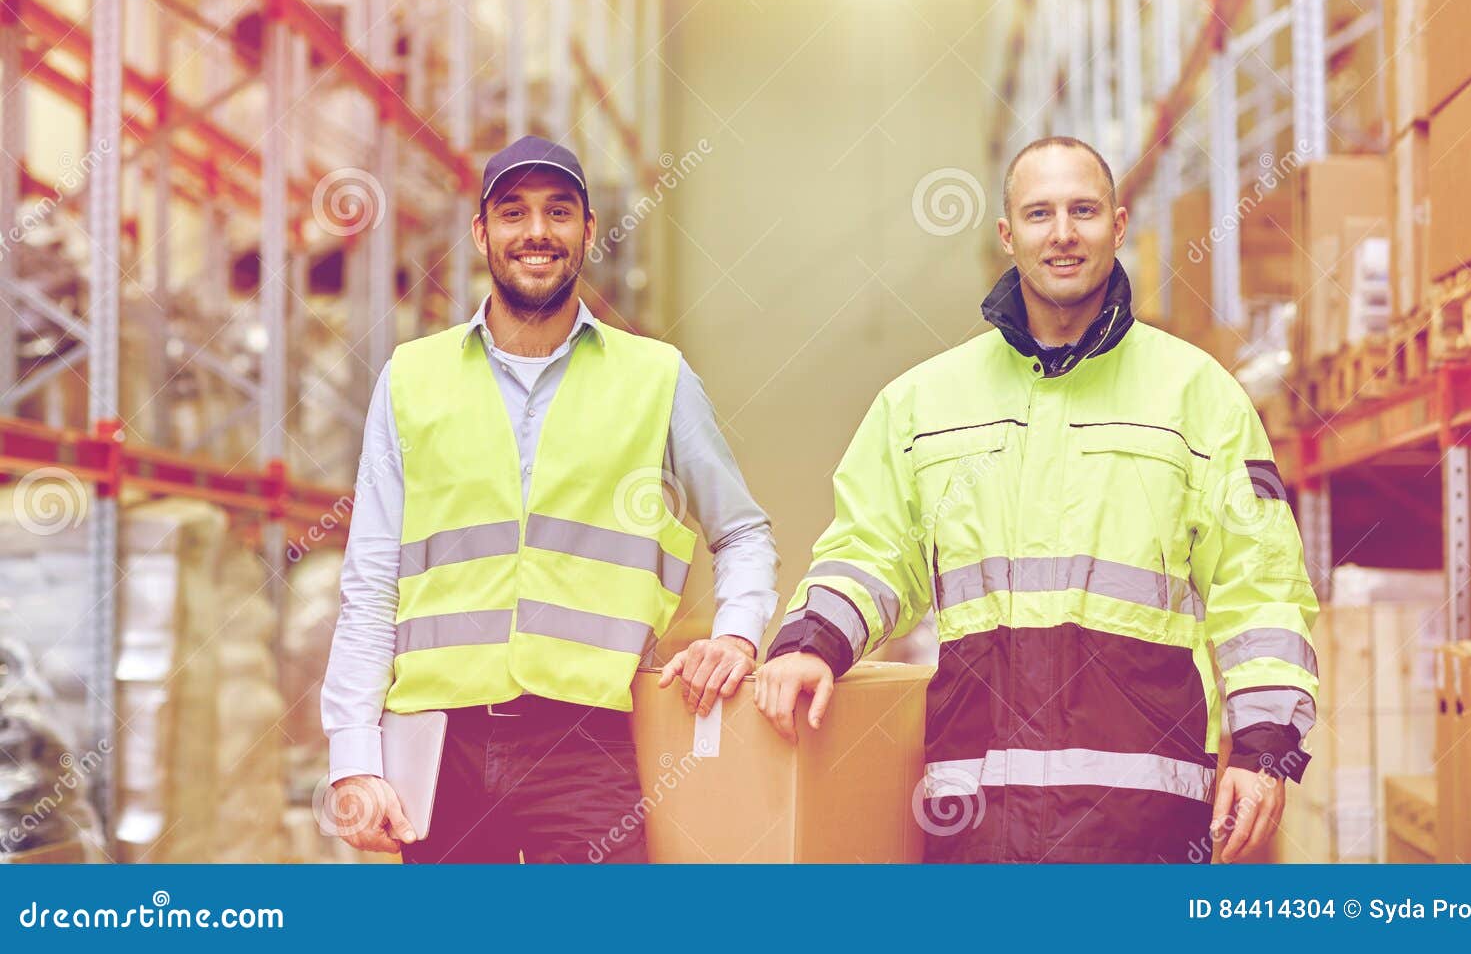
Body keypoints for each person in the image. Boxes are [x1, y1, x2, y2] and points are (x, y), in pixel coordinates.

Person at [755, 135, 1319, 863]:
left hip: (1145, 822)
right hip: (976, 818)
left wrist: (1265, 746)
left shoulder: (1198, 395)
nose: (1062, 233)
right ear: (1007, 234)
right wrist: (812, 643)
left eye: (1083, 210)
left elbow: (1261, 583)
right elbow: (872, 551)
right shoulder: (923, 402)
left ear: (1118, 225)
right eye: (1039, 213)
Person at [321, 135, 778, 863]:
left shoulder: (656, 377)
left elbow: (742, 531)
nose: (537, 231)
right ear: (482, 234)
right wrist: (354, 753)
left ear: (588, 232)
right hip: (441, 744)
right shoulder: (410, 378)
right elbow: (371, 578)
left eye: (559, 211)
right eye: (514, 212)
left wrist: (737, 635)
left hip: (588, 744)